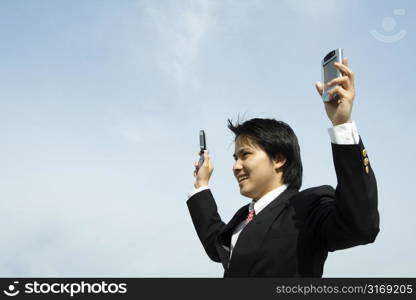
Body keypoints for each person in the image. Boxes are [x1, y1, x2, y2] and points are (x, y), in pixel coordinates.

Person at [186, 58, 379, 277]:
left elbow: (360, 226)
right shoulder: (242, 219)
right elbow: (216, 246)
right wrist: (201, 185)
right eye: (235, 158)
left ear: (278, 159)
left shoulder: (307, 207)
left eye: (245, 155)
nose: (236, 166)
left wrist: (342, 125)